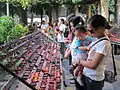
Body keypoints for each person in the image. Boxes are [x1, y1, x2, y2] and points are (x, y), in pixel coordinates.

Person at [73, 15, 112, 90]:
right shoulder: (96, 38)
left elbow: (93, 65)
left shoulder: (104, 43)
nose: (89, 33)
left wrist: (79, 61)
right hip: (87, 75)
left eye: (91, 31)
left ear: (101, 28)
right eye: (88, 31)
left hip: (94, 79)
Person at [70, 25, 93, 90]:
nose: (78, 38)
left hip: (86, 55)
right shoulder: (78, 40)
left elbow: (92, 45)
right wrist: (86, 47)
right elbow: (78, 47)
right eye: (76, 36)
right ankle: (77, 75)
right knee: (80, 66)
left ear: (84, 33)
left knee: (82, 67)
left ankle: (78, 75)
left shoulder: (89, 38)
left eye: (79, 36)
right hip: (80, 55)